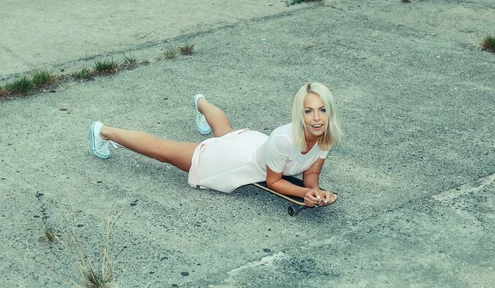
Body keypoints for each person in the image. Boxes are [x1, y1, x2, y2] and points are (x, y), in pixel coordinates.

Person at [89, 82, 341, 207]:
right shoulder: (284, 139)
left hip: (252, 145)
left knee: (226, 132)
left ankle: (201, 103)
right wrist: (302, 194)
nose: (316, 118)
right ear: (299, 114)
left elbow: (312, 172)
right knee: (164, 151)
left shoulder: (325, 135)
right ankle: (105, 132)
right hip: (234, 160)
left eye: (322, 110)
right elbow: (273, 181)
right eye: (309, 111)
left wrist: (316, 192)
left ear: (330, 113)